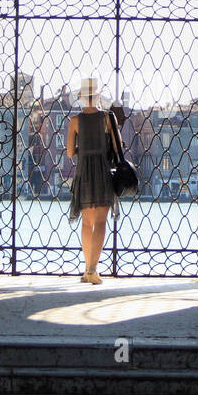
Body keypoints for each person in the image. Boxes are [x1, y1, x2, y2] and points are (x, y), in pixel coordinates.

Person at [65, 76, 121, 284]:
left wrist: (84, 149)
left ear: (80, 97)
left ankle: (86, 269)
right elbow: (117, 148)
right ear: (97, 96)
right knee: (100, 221)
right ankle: (93, 270)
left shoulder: (75, 121)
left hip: (83, 174)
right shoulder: (108, 118)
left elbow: (70, 152)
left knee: (87, 223)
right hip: (102, 172)